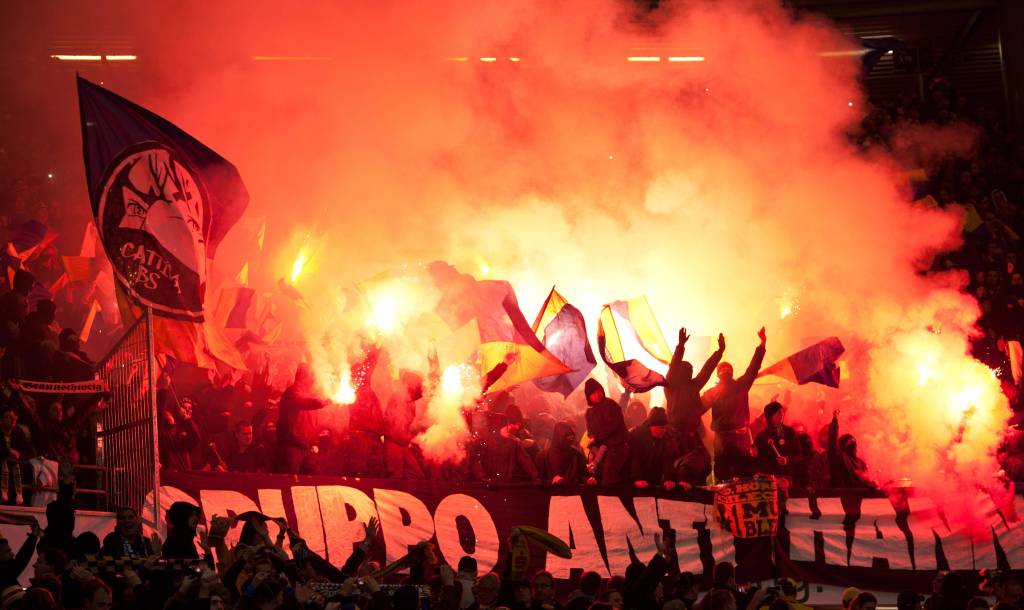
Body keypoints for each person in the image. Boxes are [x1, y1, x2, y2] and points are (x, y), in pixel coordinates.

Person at [702, 328, 767, 480]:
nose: (725, 370)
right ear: (717, 374)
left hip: (741, 436)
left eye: (727, 368)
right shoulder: (712, 392)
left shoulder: (742, 385)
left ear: (732, 371)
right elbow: (696, 409)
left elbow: (753, 367)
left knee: (745, 472)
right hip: (722, 438)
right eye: (721, 368)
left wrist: (762, 344)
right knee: (723, 474)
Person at [665, 329, 725, 450]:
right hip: (676, 435)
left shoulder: (693, 385)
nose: (690, 371)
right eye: (687, 369)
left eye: (690, 370)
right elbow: (674, 365)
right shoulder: (671, 385)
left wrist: (719, 352)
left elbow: (706, 370)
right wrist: (680, 345)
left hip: (691, 434)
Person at [276, 364, 328, 474]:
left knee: (314, 480)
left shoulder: (308, 394)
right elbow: (301, 402)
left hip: (307, 448)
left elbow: (311, 424)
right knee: (292, 482)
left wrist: (314, 442)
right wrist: (321, 403)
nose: (314, 379)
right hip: (292, 448)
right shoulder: (292, 393)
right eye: (312, 376)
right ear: (303, 376)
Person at [584, 379, 629, 485]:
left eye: (599, 391)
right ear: (589, 396)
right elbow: (591, 433)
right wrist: (594, 445)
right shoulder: (589, 412)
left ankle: (609, 499)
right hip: (601, 450)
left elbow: (612, 426)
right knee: (595, 475)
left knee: (609, 478)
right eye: (593, 393)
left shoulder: (610, 405)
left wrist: (597, 439)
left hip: (617, 448)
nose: (597, 394)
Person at [384, 370, 426, 479]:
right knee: (395, 475)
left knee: (417, 475)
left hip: (402, 444)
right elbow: (393, 426)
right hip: (393, 443)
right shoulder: (397, 398)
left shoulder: (411, 403)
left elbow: (408, 425)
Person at [628, 407, 681, 489]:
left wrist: (669, 479)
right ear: (652, 426)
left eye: (665, 428)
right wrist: (637, 479)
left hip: (653, 482)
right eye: (661, 428)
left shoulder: (664, 438)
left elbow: (667, 460)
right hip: (633, 482)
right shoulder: (637, 436)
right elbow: (634, 459)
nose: (664, 430)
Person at [753, 402, 800, 480]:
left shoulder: (790, 432)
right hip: (768, 478)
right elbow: (757, 459)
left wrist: (787, 459)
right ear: (770, 416)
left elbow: (797, 454)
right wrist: (754, 454)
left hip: (786, 476)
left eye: (782, 412)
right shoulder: (762, 436)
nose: (782, 414)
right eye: (778, 412)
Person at [828, 411, 871, 488]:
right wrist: (835, 421)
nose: (854, 448)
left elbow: (866, 480)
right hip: (844, 496)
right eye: (851, 445)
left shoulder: (860, 463)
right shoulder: (840, 458)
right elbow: (832, 442)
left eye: (854, 444)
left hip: (861, 497)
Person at [535, 421, 587, 485]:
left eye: (571, 438)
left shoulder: (577, 455)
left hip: (573, 493)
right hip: (550, 493)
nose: (570, 441)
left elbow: (583, 475)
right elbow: (537, 481)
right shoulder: (543, 456)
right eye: (567, 438)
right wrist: (551, 481)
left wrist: (588, 480)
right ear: (559, 437)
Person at [159, 397, 201, 471]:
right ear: (178, 409)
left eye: (190, 408)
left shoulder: (192, 425)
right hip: (175, 470)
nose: (188, 410)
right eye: (184, 407)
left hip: (190, 471)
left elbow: (196, 439)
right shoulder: (171, 426)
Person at [0, 518, 41, 588]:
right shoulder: (5, 572)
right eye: (7, 551)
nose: (12, 554)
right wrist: (33, 536)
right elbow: (21, 559)